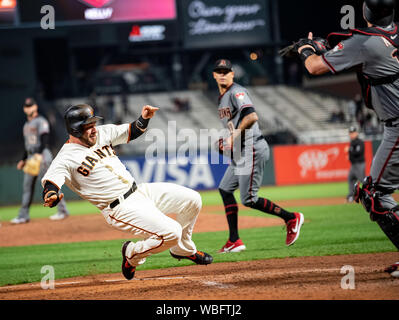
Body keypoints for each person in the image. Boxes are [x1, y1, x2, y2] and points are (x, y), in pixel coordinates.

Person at [41, 104, 213, 280]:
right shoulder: (65, 158)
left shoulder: (102, 133)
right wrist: (51, 196)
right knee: (172, 232)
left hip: (139, 191)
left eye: (93, 124)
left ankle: (182, 250)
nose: (94, 130)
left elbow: (133, 130)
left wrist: (144, 118)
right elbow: (51, 184)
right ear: (75, 130)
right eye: (88, 126)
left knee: (193, 199)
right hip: (119, 207)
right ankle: (132, 254)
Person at [294, 0, 399, 276]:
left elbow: (315, 67)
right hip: (392, 127)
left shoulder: (366, 42)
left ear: (365, 12)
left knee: (374, 194)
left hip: (397, 127)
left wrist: (306, 49)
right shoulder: (389, 36)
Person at [212, 59, 304, 253]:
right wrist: (226, 142)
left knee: (249, 199)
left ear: (232, 74)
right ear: (214, 75)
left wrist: (234, 136)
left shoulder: (237, 91)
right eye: (219, 71)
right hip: (241, 150)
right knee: (225, 189)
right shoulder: (221, 98)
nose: (222, 74)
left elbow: (252, 116)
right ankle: (234, 240)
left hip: (251, 148)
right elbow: (235, 126)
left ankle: (291, 218)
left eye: (226, 71)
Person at [11, 97, 69, 224]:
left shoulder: (41, 121)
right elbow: (27, 145)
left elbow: (44, 138)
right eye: (26, 106)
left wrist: (38, 154)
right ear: (24, 109)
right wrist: (23, 159)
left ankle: (63, 210)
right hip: (31, 157)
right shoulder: (26, 125)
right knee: (27, 187)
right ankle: (23, 215)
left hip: (42, 155)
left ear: (35, 107)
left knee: (50, 184)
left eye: (30, 106)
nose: (28, 108)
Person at [345, 126, 366, 202]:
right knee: (350, 178)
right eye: (350, 133)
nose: (351, 134)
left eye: (353, 133)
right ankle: (352, 195)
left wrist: (349, 151)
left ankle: (368, 194)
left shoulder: (359, 142)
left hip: (359, 164)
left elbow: (359, 152)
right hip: (353, 165)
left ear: (356, 133)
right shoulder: (352, 142)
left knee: (362, 180)